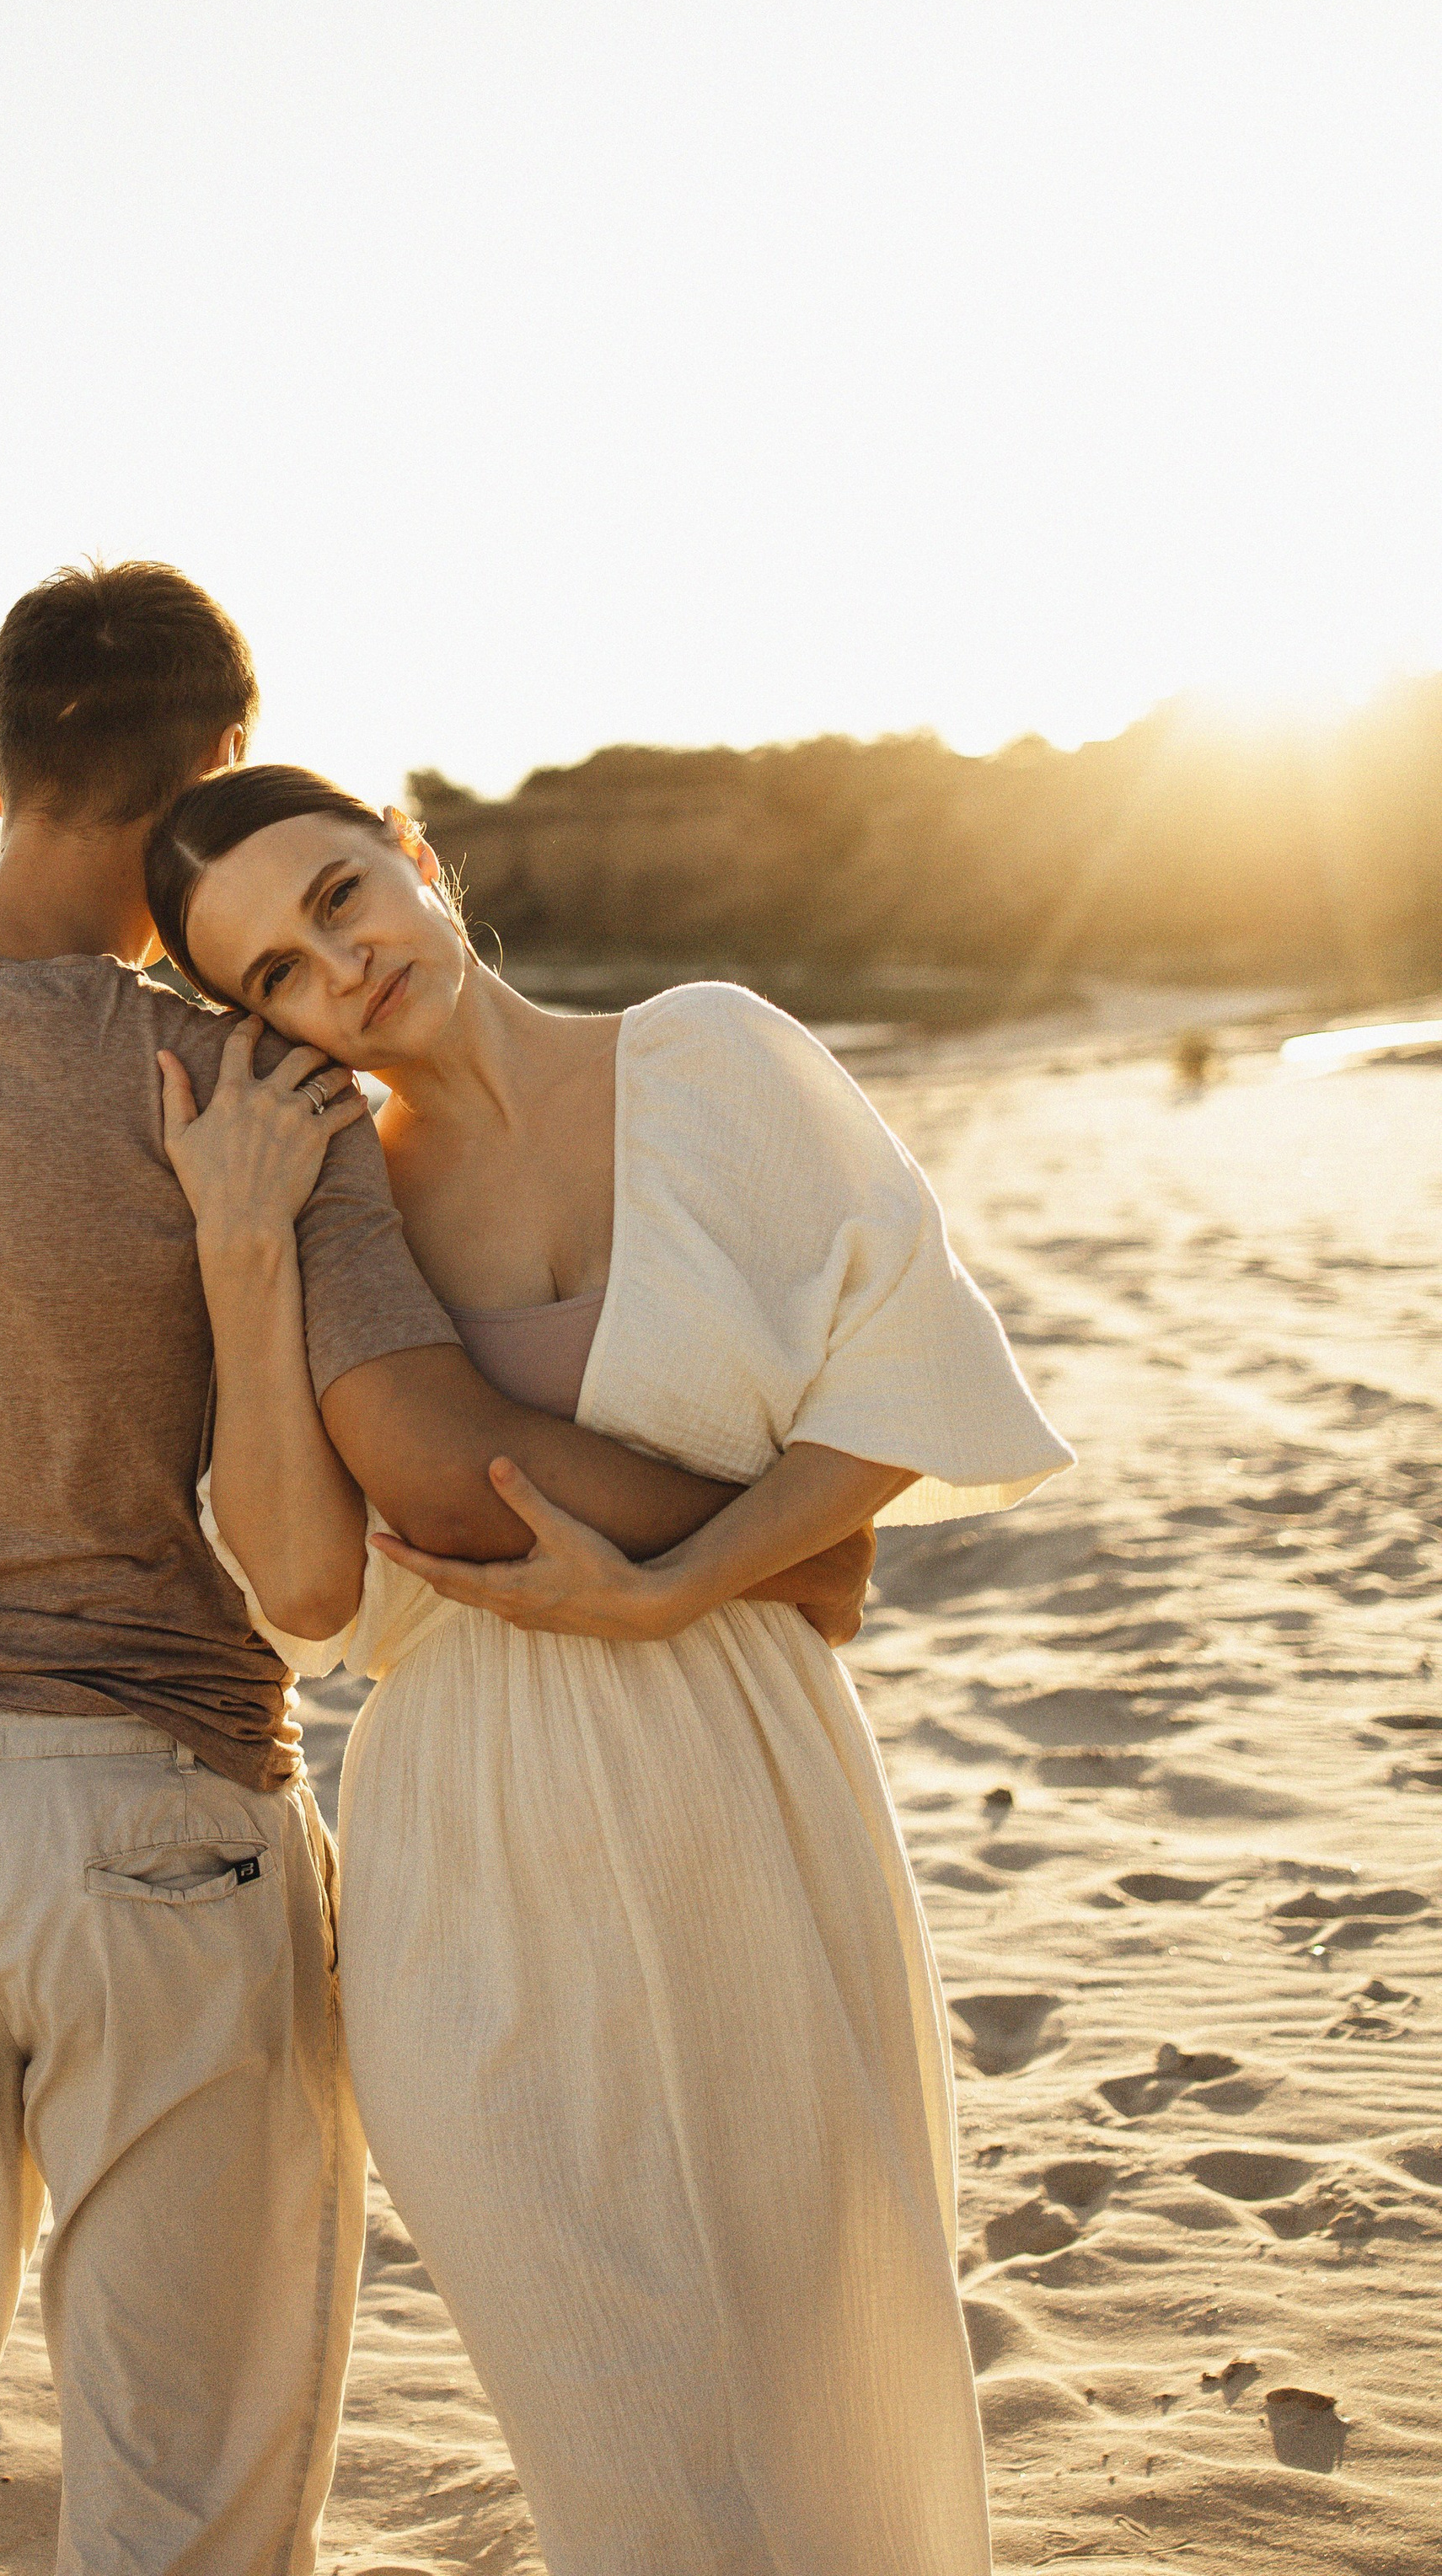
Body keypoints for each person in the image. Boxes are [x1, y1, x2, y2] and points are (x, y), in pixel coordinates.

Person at [0, 562, 871, 2576]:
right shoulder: (243, 1084)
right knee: (186, 2498)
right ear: (218, 779)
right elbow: (421, 1453)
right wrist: (771, 1553)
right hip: (161, 1819)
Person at [142, 764, 1075, 2576]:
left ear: (414, 857)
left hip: (742, 1766)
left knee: (827, 2376)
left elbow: (899, 1372)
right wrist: (240, 1246)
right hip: (459, 1844)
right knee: (613, 2422)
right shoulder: (331, 1205)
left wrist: (678, 1587)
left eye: (339, 898)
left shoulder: (710, 1057)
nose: (334, 968)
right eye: (270, 977)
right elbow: (305, 1593)